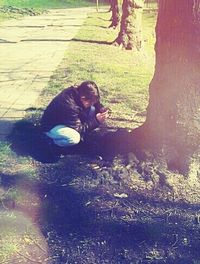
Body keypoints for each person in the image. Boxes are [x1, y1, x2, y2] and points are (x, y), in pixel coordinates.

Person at [40, 81, 109, 152]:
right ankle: (51, 142)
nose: (92, 104)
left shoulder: (80, 91)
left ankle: (83, 139)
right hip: (51, 126)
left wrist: (100, 108)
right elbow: (78, 130)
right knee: (74, 138)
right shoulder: (69, 105)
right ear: (83, 98)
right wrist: (96, 121)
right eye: (90, 102)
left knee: (92, 109)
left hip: (67, 120)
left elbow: (95, 102)